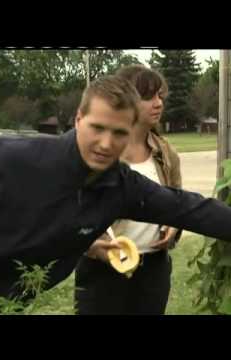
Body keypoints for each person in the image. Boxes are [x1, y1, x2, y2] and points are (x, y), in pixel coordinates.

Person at [0, 74, 231, 315]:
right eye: (96, 128)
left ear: (130, 130)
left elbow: (190, 209)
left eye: (118, 132)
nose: (105, 143)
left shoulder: (120, 186)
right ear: (78, 117)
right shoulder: (10, 158)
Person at [74, 65, 183, 315]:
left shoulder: (165, 152)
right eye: (148, 96)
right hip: (103, 270)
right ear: (126, 101)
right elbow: (71, 211)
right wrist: (91, 244)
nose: (157, 103)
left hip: (153, 269)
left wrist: (174, 226)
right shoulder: (100, 153)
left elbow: (178, 200)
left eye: (160, 96)